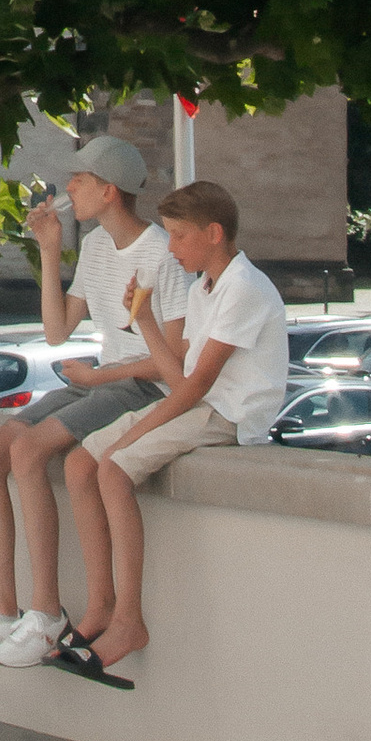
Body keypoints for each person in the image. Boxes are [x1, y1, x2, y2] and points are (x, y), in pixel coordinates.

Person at [0, 137, 172, 673]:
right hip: (97, 378)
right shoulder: (93, 247)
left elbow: (170, 363)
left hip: (137, 384)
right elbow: (55, 331)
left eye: (80, 180)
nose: (69, 187)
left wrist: (100, 375)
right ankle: (2, 611)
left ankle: (45, 611)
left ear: (109, 191)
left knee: (28, 451)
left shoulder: (160, 252)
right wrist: (49, 249)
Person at [55, 178, 291, 687]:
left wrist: (127, 441)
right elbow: (176, 376)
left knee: (113, 469)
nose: (171, 247)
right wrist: (144, 322)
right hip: (194, 402)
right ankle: (100, 607)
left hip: (226, 414)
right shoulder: (205, 286)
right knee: (80, 463)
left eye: (179, 237)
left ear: (212, 233)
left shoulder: (244, 288)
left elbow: (196, 388)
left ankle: (128, 622)